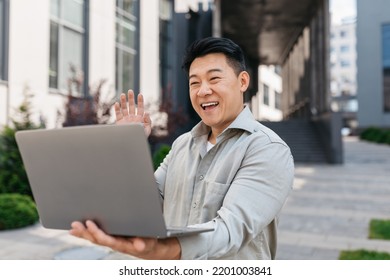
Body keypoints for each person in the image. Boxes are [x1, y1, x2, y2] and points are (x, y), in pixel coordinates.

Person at [70, 37, 294, 260]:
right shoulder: (182, 145)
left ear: (243, 81)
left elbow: (230, 231)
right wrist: (128, 146)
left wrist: (162, 251)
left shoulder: (268, 150)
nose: (203, 91)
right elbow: (149, 202)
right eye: (194, 82)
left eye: (214, 78)